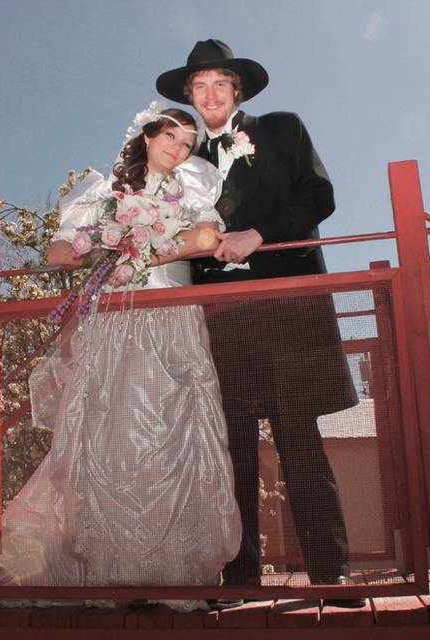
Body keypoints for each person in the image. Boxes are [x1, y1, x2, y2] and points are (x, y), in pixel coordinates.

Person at [0, 107, 241, 639]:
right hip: (114, 325)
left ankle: (173, 573)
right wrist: (104, 250)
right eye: (171, 135)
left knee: (175, 439)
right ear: (146, 136)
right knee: (103, 439)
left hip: (171, 323)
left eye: (189, 142)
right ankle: (102, 569)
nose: (179, 147)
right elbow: (57, 251)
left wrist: (142, 249)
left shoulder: (190, 190)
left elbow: (207, 239)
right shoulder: (102, 193)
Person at [156, 40, 359, 593]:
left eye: (220, 83)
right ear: (189, 97)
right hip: (220, 316)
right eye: (199, 86)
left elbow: (319, 196)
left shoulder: (281, 129)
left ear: (237, 89)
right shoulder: (184, 161)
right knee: (232, 448)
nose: (210, 94)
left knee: (299, 439)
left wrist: (259, 234)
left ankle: (330, 574)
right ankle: (240, 577)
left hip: (286, 307)